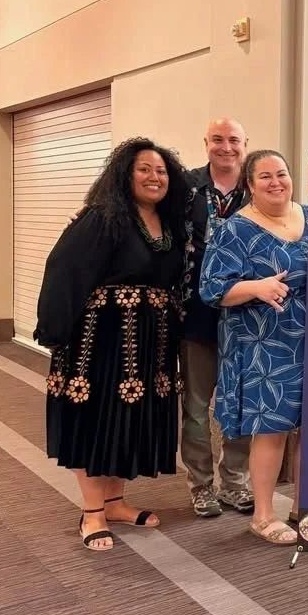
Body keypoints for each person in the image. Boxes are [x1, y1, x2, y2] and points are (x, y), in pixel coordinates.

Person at [35, 138, 189, 550]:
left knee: (125, 422)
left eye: (161, 170)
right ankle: (92, 513)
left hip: (148, 346)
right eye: (144, 169)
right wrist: (54, 330)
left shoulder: (168, 224)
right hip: (100, 342)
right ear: (124, 173)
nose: (154, 177)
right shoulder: (103, 218)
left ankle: (116, 502)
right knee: (95, 420)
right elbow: (63, 269)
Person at [199, 149, 307, 546]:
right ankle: (263, 515)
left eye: (281, 173)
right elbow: (211, 289)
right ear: (249, 185)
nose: (276, 182)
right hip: (262, 342)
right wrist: (255, 287)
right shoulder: (234, 229)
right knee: (272, 428)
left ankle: (304, 508)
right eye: (265, 176)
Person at [182, 117, 253, 518]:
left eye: (234, 141)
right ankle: (201, 486)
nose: (226, 147)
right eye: (218, 140)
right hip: (196, 312)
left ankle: (235, 483)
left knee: (239, 402)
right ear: (206, 142)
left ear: (246, 144)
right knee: (195, 405)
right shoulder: (186, 187)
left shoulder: (258, 187)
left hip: (246, 314)